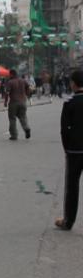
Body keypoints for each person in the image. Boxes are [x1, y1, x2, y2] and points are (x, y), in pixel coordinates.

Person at [56, 71, 83, 230]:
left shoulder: (70, 103)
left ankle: (68, 221)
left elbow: (64, 130)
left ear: (73, 83)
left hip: (75, 151)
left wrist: (67, 148)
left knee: (72, 187)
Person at [4, 69, 31, 141]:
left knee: (12, 118)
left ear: (12, 74)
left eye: (9, 74)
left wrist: (5, 102)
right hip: (23, 102)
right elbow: (28, 87)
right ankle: (26, 128)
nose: (9, 76)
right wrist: (27, 95)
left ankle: (14, 135)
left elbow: (7, 93)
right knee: (23, 117)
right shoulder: (23, 81)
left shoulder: (10, 82)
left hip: (13, 102)